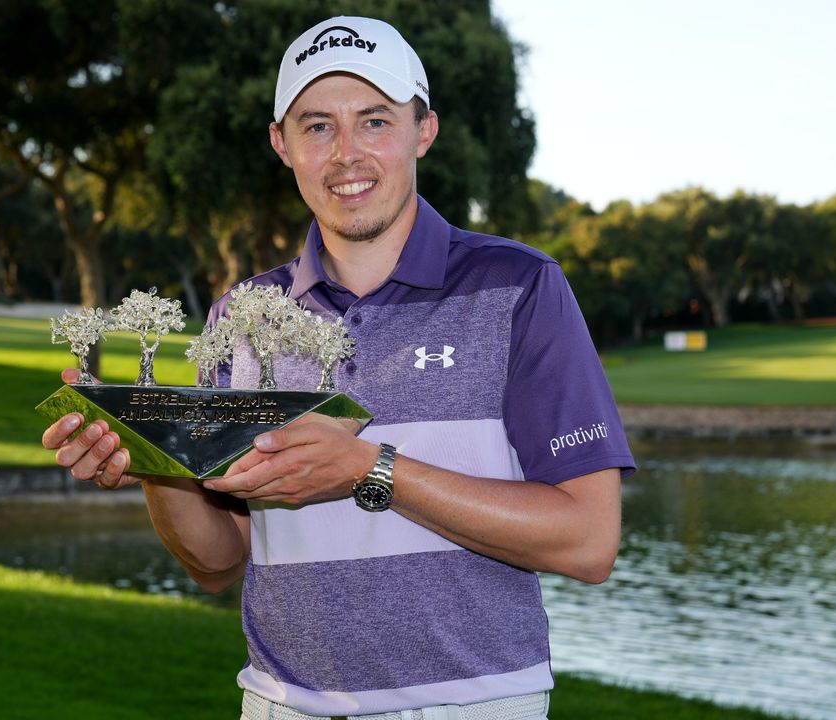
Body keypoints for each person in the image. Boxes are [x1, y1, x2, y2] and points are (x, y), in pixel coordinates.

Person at [41, 16, 635, 720]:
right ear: (281, 144)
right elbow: (217, 561)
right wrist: (151, 457)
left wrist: (367, 468)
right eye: (317, 126)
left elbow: (588, 541)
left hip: (472, 705)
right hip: (281, 704)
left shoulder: (518, 287)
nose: (346, 155)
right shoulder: (242, 315)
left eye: (375, 121)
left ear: (424, 130)